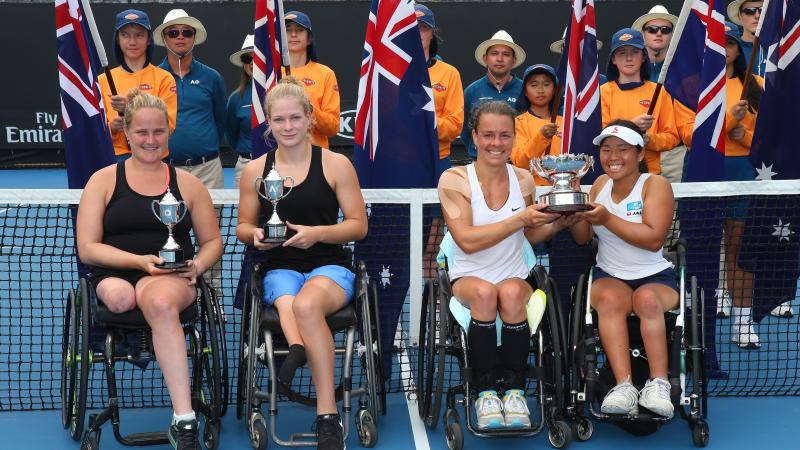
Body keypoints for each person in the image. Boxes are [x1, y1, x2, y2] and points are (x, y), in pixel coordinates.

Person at [76, 89, 222, 450]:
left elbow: (213, 242)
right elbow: (88, 248)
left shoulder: (188, 184)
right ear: (127, 132)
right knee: (121, 298)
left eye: (158, 131)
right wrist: (139, 263)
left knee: (157, 303)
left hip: (172, 277)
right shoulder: (103, 180)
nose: (150, 140)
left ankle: (183, 420)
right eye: (142, 132)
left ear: (168, 132)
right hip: (118, 271)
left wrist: (198, 265)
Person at [236, 77, 367, 450]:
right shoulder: (254, 171)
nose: (288, 127)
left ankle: (327, 414)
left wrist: (317, 233)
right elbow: (244, 226)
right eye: (280, 120)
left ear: (310, 118)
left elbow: (358, 225)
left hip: (330, 266)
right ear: (269, 124)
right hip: (279, 269)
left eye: (295, 118)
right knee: (289, 299)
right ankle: (295, 347)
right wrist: (256, 236)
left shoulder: (337, 164)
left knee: (307, 304)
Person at [438, 101, 574, 429]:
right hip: (469, 275)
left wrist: (559, 224)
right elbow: (467, 240)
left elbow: (531, 233)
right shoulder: (453, 179)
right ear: (473, 137)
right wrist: (520, 219)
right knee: (485, 294)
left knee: (512, 293)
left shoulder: (525, 180)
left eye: (504, 135)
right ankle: (485, 393)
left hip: (513, 273)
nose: (496, 143)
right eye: (487, 135)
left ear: (514, 138)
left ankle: (514, 391)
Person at [674, 23, 789, 343]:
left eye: (728, 43)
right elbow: (688, 135)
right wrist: (729, 122)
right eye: (715, 43)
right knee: (700, 249)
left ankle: (743, 322)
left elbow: (771, 137)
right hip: (701, 173)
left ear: (738, 49)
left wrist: (745, 135)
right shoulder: (690, 86)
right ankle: (695, 321)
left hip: (743, 173)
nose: (722, 49)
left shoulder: (756, 84)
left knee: (739, 248)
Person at [568, 120, 678, 419]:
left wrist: (605, 219)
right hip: (610, 274)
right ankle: (624, 386)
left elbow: (654, 240)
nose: (613, 156)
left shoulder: (656, 185)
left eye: (622, 149)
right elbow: (582, 238)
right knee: (611, 301)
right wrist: (577, 206)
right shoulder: (600, 184)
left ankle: (658, 384)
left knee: (647, 300)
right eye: (606, 150)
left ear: (640, 154)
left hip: (655, 277)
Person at [156, 9, 226, 189]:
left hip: (208, 169)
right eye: (173, 33)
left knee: (211, 218)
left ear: (194, 37)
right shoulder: (153, 76)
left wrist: (204, 147)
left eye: (187, 32)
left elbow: (221, 121)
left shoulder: (212, 77)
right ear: (165, 38)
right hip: (165, 169)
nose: (181, 37)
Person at [98, 9, 177, 158]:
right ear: (117, 39)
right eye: (125, 35)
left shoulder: (164, 78)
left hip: (153, 157)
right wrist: (112, 127)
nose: (132, 42)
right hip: (116, 158)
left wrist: (131, 107)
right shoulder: (103, 80)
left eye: (139, 35)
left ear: (148, 40)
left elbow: (169, 125)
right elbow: (93, 129)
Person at [600, 28, 679, 175]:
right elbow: (601, 135)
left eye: (634, 52)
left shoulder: (659, 91)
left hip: (651, 173)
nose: (629, 58)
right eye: (622, 53)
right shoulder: (603, 92)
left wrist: (651, 140)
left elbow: (672, 137)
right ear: (614, 59)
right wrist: (632, 126)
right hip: (613, 172)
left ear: (643, 57)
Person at [632, 5, 686, 184]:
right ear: (643, 34)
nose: (658, 34)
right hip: (636, 152)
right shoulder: (630, 70)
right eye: (652, 29)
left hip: (675, 152)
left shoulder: (685, 72)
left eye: (665, 30)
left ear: (672, 34)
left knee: (673, 207)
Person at [415, 4, 464, 179]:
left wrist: (423, 121)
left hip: (437, 158)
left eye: (422, 28)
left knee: (437, 207)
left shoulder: (449, 73)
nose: (416, 33)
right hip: (400, 158)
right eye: (410, 27)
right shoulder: (389, 73)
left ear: (432, 33)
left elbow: (454, 126)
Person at [281, 11, 341, 149]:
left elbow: (332, 127)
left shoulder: (325, 74)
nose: (293, 35)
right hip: (279, 157)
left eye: (300, 30)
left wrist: (307, 105)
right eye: (288, 30)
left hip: (316, 156)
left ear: (309, 39)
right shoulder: (272, 75)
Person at [461, 30, 525, 159]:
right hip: (480, 164)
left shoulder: (525, 90)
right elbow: (464, 132)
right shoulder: (471, 91)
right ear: (486, 58)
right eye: (494, 54)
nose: (500, 59)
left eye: (506, 54)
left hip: (517, 164)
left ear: (514, 60)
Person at [510, 64, 562, 185]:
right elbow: (520, 163)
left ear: (555, 90)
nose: (540, 90)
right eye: (534, 85)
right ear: (525, 92)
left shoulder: (566, 122)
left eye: (546, 84)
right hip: (532, 189)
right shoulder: (518, 122)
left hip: (564, 187)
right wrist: (542, 136)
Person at [226, 34, 255, 186]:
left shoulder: (279, 92)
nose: (252, 63)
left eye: (257, 57)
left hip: (277, 163)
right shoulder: (235, 98)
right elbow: (231, 134)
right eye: (247, 59)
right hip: (246, 165)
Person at [728, 0, 766, 76]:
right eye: (749, 11)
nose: (757, 16)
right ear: (739, 15)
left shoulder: (780, 48)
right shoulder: (730, 50)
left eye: (763, 10)